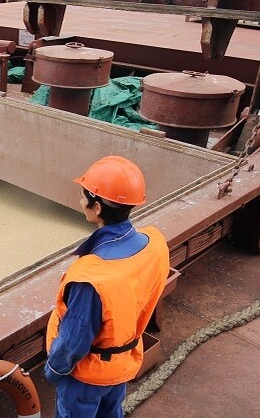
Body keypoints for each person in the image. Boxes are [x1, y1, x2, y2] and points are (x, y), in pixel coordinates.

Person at [44, 156, 170, 417]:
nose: (81, 202)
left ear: (97, 207)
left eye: (83, 197)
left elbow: (73, 341)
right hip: (122, 364)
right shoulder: (154, 245)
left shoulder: (92, 278)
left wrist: (54, 370)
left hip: (86, 376)